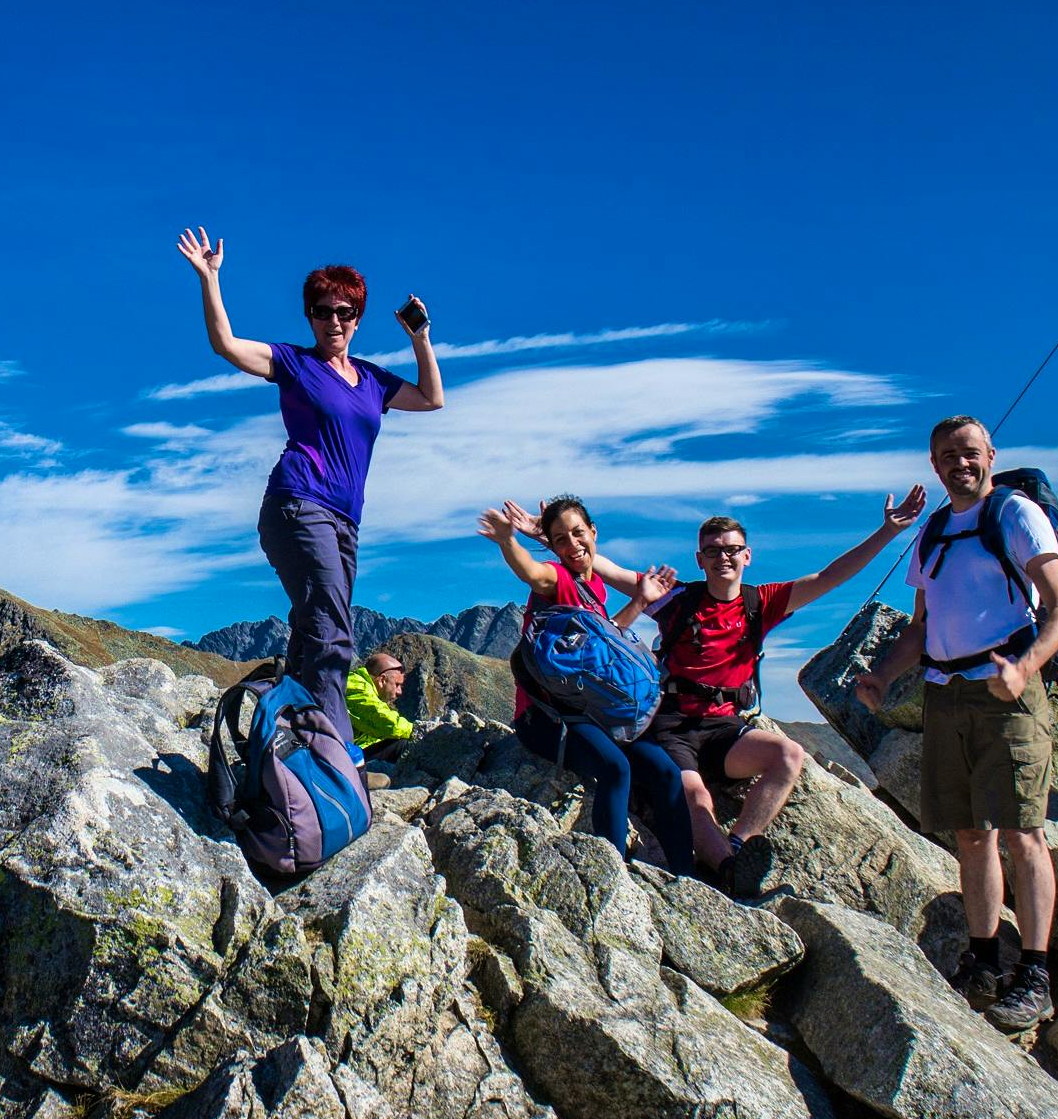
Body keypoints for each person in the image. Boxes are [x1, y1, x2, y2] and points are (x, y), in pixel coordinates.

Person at [179, 228, 444, 744]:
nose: (334, 321)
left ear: (359, 318)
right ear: (310, 317)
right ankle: (335, 751)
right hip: (298, 505)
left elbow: (432, 398)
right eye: (323, 311)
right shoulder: (296, 363)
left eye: (345, 312)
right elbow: (226, 345)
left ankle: (287, 741)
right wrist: (211, 280)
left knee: (310, 633)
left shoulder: (373, 380)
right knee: (331, 632)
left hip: (345, 521)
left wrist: (421, 338)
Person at [856, 418, 1058, 1031]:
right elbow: (923, 627)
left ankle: (1035, 976)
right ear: (934, 464)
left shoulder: (1015, 514)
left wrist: (1026, 665)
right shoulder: (931, 534)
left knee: (1022, 832)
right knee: (971, 834)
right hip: (944, 693)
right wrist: (883, 676)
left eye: (970, 453)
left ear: (990, 456)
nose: (961, 464)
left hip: (1007, 688)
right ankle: (982, 962)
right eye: (948, 455)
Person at [647, 488, 927, 878]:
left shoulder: (761, 602)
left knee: (788, 754)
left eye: (731, 549)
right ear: (700, 559)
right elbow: (607, 572)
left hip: (726, 727)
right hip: (674, 726)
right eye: (712, 550)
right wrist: (552, 543)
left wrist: (888, 532)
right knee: (695, 798)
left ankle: (738, 845)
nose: (723, 557)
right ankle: (730, 871)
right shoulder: (676, 599)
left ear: (747, 555)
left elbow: (829, 577)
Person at [481, 496, 696, 876]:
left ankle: (686, 874)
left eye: (578, 533)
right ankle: (613, 875)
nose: (573, 544)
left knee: (666, 773)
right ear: (551, 545)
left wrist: (642, 599)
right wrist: (507, 541)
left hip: (591, 708)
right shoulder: (557, 579)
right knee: (615, 768)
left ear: (594, 532)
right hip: (545, 715)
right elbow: (533, 572)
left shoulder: (595, 585)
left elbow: (603, 644)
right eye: (561, 539)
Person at [344, 650, 416, 762]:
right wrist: (417, 730)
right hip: (339, 756)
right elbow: (384, 721)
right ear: (382, 680)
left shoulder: (365, 688)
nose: (399, 691)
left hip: (347, 751)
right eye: (397, 685)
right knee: (402, 746)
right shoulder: (355, 687)